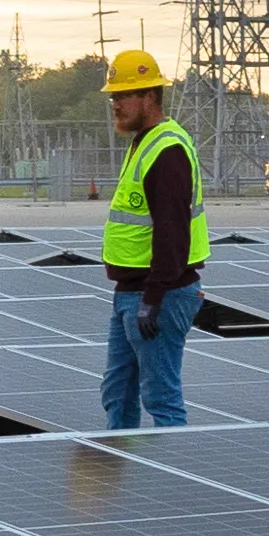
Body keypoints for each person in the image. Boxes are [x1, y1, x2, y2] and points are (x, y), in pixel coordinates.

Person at [94, 47, 203, 429]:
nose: (116, 104)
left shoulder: (167, 149)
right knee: (118, 393)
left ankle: (170, 481)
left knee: (160, 397)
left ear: (150, 97)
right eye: (113, 96)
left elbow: (173, 234)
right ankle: (126, 479)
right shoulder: (143, 141)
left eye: (124, 95)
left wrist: (152, 299)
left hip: (160, 295)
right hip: (132, 292)